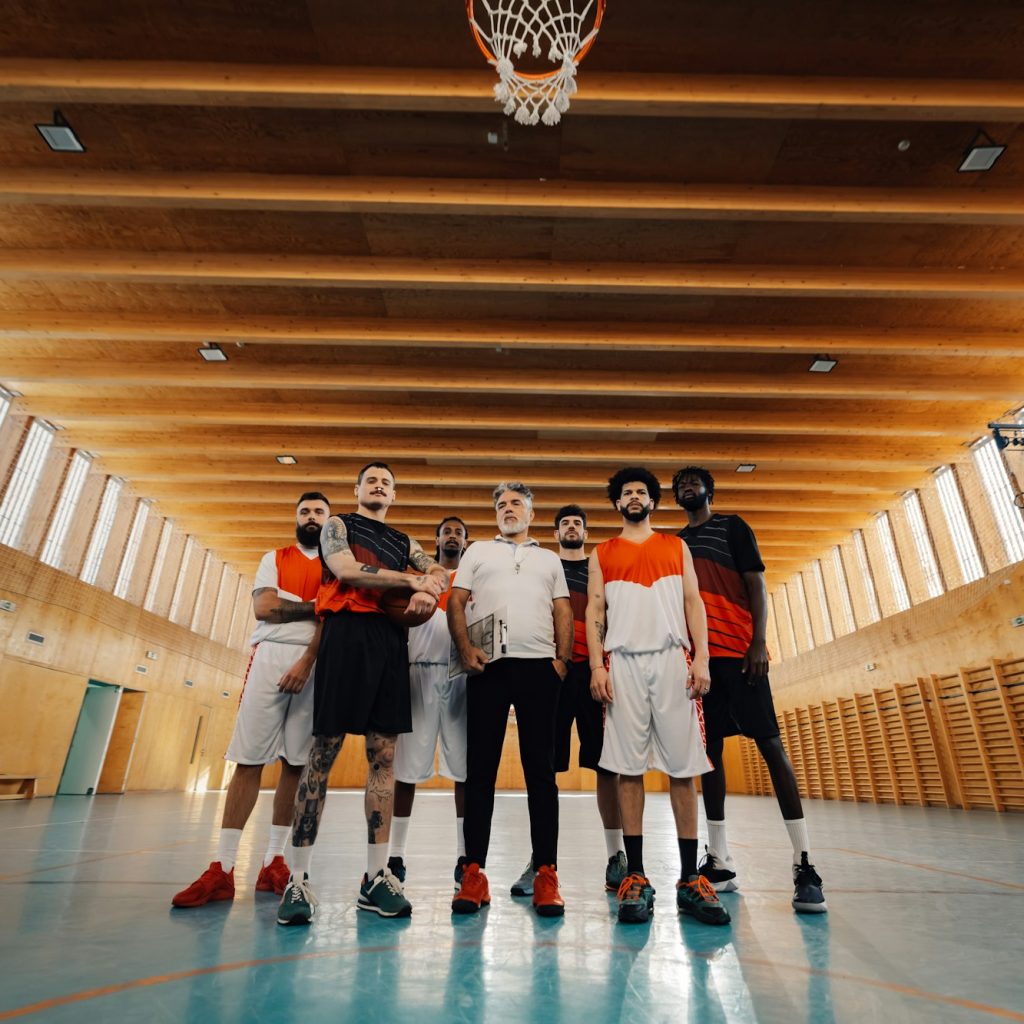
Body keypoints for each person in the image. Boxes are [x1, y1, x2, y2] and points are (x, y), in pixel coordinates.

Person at [276, 464, 447, 925]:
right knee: (323, 753)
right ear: (357, 489)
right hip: (345, 636)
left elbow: (436, 570)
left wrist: (430, 589)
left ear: (393, 493)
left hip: (390, 642)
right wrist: (411, 581)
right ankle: (298, 879)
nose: (379, 485)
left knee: (384, 757)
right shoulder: (339, 526)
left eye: (387, 482)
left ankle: (374, 878)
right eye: (371, 480)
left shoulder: (403, 540)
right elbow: (346, 570)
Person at [674, 466, 826, 913]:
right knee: (711, 755)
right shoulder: (678, 544)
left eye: (693, 481)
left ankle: (804, 862)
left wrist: (758, 641)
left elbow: (756, 583)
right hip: (702, 663)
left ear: (709, 490)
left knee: (771, 746)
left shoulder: (732, 527)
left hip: (742, 656)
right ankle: (719, 859)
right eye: (679, 483)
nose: (686, 486)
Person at [172, 492, 330, 908]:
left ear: (329, 522)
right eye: (305, 511)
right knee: (249, 759)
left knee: (297, 764)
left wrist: (299, 612)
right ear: (296, 517)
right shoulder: (274, 557)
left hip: (316, 662)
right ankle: (222, 868)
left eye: (318, 513)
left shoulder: (337, 563)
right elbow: (264, 607)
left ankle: (274, 861)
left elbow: (333, 618)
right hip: (270, 656)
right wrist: (317, 606)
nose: (311, 517)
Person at [587, 467, 729, 927]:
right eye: (625, 491)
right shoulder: (602, 552)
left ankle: (690, 878)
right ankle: (637, 875)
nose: (633, 496)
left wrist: (702, 657)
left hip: (673, 659)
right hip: (623, 662)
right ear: (617, 503)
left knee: (683, 768)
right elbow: (594, 610)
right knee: (627, 769)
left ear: (652, 501)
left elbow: (694, 602)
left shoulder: (676, 545)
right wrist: (594, 666)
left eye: (641, 491)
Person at [447, 482, 573, 918]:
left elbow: (563, 610)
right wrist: (465, 650)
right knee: (480, 772)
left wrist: (561, 661)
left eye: (516, 503)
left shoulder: (548, 558)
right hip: (488, 667)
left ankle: (546, 874)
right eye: (501, 504)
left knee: (542, 774)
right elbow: (457, 601)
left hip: (540, 669)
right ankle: (474, 873)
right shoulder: (478, 550)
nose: (508, 508)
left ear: (532, 514)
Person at [509, 504, 627, 899]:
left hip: (595, 674)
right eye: (565, 523)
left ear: (585, 531)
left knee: (607, 765)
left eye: (578, 522)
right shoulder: (545, 567)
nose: (572, 527)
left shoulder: (599, 570)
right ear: (556, 532)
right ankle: (541, 861)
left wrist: (606, 665)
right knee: (543, 769)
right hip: (554, 673)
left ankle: (617, 857)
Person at [389, 515, 470, 888]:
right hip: (418, 673)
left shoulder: (472, 580)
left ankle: (464, 856)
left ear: (465, 542)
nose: (452, 536)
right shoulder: (418, 579)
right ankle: (394, 856)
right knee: (406, 771)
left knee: (464, 772)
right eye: (447, 531)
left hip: (460, 677)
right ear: (436, 539)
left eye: (459, 532)